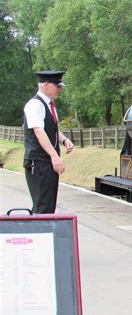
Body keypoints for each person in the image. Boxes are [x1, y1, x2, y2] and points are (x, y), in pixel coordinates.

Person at [23, 70, 74, 214]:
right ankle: (38, 234)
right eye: (57, 86)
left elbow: (51, 130)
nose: (60, 89)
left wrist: (64, 140)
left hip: (47, 163)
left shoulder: (50, 106)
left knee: (49, 205)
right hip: (38, 162)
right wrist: (54, 155)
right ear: (46, 84)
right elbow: (39, 131)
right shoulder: (35, 105)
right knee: (42, 205)